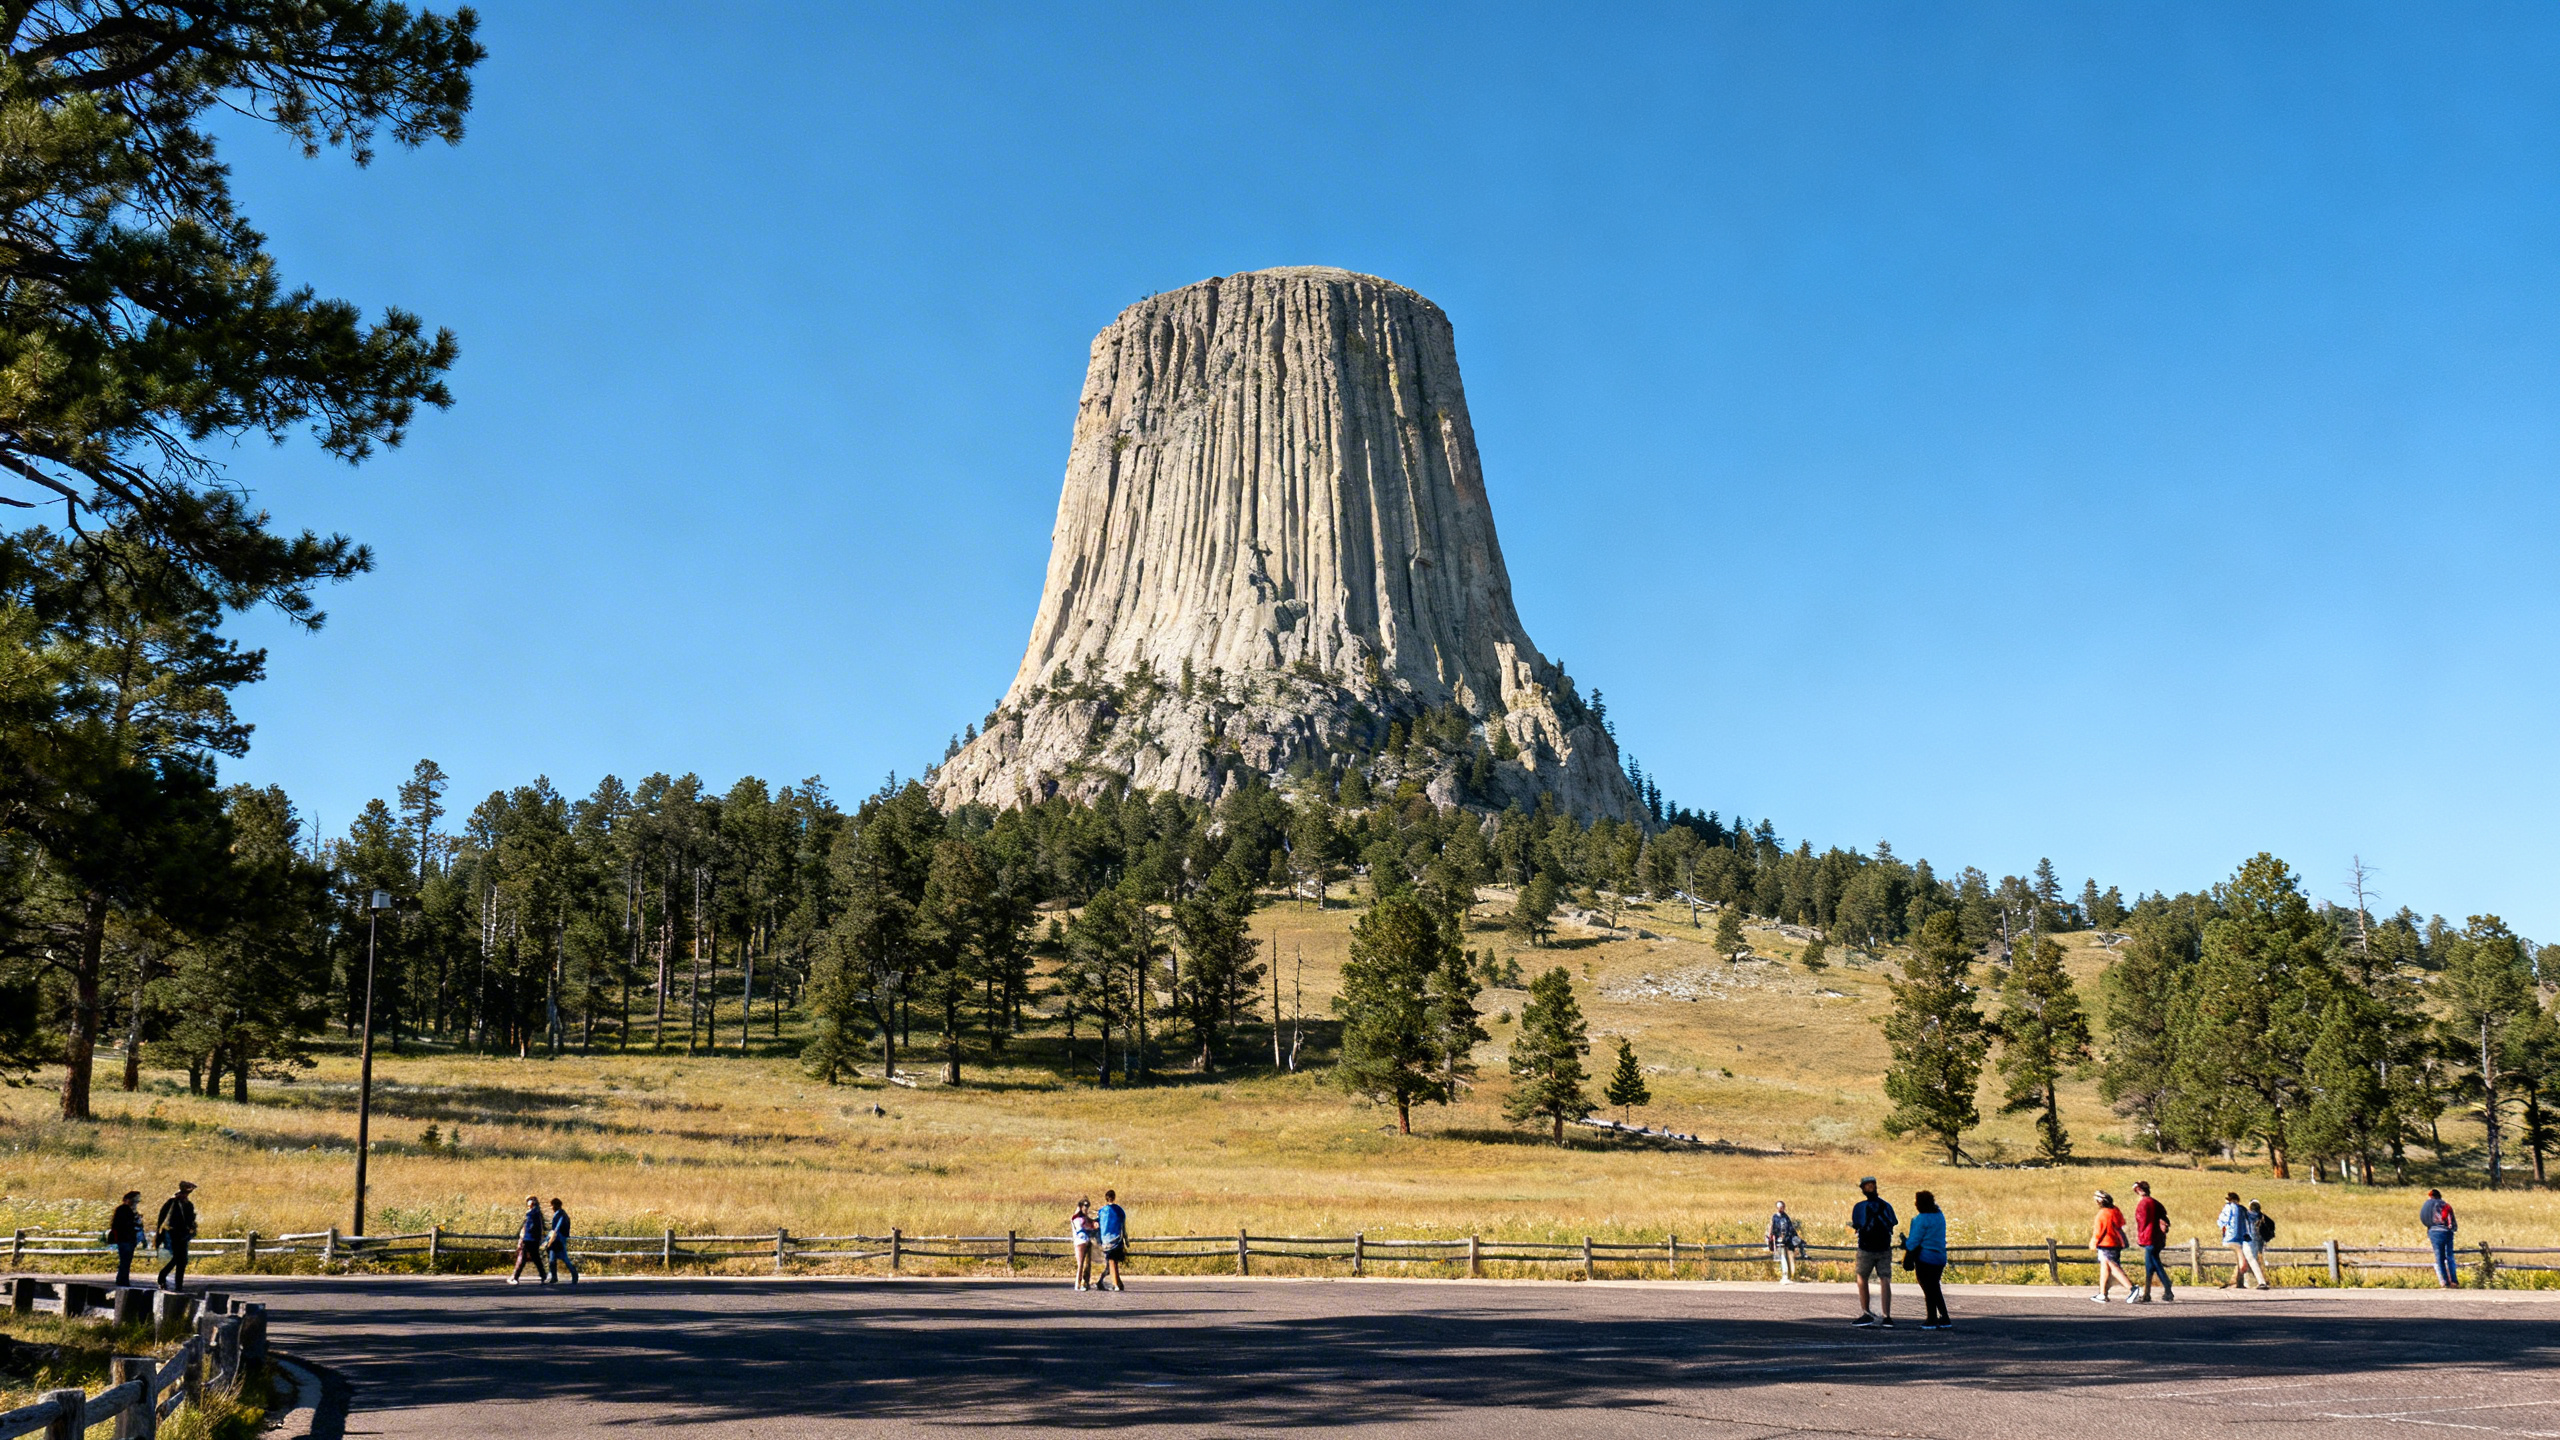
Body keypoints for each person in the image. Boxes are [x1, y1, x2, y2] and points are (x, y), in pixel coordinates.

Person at [1848, 1177, 1895, 1327]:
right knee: (1885, 1279)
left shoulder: (1859, 1207)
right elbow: (1892, 1223)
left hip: (1866, 1248)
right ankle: (1887, 1316)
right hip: (1884, 1247)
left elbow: (1857, 1224)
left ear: (1862, 1189)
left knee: (1862, 1278)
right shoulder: (1886, 1206)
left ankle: (1866, 1312)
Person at [1904, 1190, 1950, 1330]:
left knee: (1928, 1289)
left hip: (1925, 1257)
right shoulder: (1939, 1216)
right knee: (1935, 1287)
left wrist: (1905, 1245)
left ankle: (1931, 1318)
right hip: (1940, 1256)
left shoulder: (1921, 1219)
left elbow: (1913, 1242)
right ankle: (1944, 1317)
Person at [2131, 1180, 2175, 1303]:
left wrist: (2140, 1238)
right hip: (2157, 1238)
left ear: (2139, 1190)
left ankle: (2167, 1288)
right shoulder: (2155, 1202)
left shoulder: (2143, 1203)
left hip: (2149, 1238)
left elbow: (2142, 1222)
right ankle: (2147, 1293)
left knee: (2155, 1264)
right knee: (2150, 1266)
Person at [2090, 1191, 2135, 1303]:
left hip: (2106, 1243)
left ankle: (2132, 1289)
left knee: (2113, 1268)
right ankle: (2102, 1294)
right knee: (2105, 1268)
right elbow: (2121, 1223)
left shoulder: (2102, 1214)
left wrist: (2094, 1242)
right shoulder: (2115, 1210)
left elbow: (2099, 1231)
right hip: (2116, 1243)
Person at [153, 1181, 198, 1292]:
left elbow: (190, 1219)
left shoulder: (188, 1204)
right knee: (180, 1259)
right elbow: (163, 1217)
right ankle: (167, 1279)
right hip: (172, 1234)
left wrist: (192, 1228)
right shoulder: (172, 1202)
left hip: (184, 1234)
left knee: (181, 1260)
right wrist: (159, 1232)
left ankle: (176, 1283)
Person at [2217, 1191, 2260, 1289]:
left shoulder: (2227, 1208)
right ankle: (2238, 1280)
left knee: (2239, 1256)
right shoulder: (2242, 1209)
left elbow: (2221, 1221)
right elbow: (2252, 1217)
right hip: (2239, 1238)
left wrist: (2223, 1227)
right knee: (2241, 1256)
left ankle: (2236, 1281)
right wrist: (2257, 1213)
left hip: (2229, 1238)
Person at [2421, 1189, 2459, 1289]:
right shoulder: (2445, 1205)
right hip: (2446, 1231)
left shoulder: (2427, 1205)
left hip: (2433, 1231)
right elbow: (2450, 1220)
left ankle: (2444, 1282)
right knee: (2449, 1256)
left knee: (2439, 1257)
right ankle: (2454, 1281)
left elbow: (2424, 1218)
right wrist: (2452, 1228)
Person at [106, 1190, 142, 1290]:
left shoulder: (129, 1210)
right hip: (124, 1238)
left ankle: (122, 1279)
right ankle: (123, 1280)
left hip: (128, 1238)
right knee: (125, 1260)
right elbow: (119, 1225)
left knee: (126, 1260)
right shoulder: (123, 1210)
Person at [1096, 1189, 1129, 1292]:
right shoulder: (1119, 1210)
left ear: (1106, 1198)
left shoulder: (1102, 1211)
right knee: (1114, 1262)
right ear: (1114, 1197)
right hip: (1117, 1238)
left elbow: (1099, 1225)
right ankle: (1117, 1282)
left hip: (1106, 1240)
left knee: (1111, 1262)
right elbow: (1123, 1226)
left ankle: (1116, 1284)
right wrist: (1126, 1239)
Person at [509, 1195, 546, 1285]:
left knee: (522, 1257)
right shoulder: (538, 1213)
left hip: (528, 1239)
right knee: (536, 1258)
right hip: (534, 1239)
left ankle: (515, 1277)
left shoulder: (531, 1213)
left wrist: (522, 1239)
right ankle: (543, 1275)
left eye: (529, 1201)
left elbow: (527, 1228)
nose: (528, 1203)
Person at [1766, 1201, 1802, 1283]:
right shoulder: (1775, 1217)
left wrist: (1795, 1239)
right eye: (1779, 1207)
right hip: (1779, 1241)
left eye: (1781, 1207)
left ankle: (1789, 1275)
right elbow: (1773, 1228)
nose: (1780, 1209)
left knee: (1788, 1257)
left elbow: (1790, 1228)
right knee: (1782, 1257)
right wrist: (1771, 1238)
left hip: (1787, 1241)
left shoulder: (1786, 1217)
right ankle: (1784, 1275)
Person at [547, 1198, 579, 1285]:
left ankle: (574, 1274)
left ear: (555, 1205)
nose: (551, 1208)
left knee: (563, 1258)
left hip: (558, 1239)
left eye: (552, 1205)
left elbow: (556, 1228)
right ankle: (554, 1277)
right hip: (556, 1239)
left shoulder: (560, 1215)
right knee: (552, 1259)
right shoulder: (560, 1214)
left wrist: (549, 1240)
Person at [1068, 1198, 1099, 1291]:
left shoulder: (1085, 1218)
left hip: (1087, 1241)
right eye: (1085, 1206)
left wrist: (1094, 1224)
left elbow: (1090, 1223)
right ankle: (1078, 1284)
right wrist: (1091, 1228)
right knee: (1080, 1264)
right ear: (1080, 1207)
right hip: (1080, 1242)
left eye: (1087, 1207)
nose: (1086, 1209)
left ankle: (1085, 1283)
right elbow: (1080, 1230)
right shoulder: (1076, 1218)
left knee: (1087, 1263)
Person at [2247, 1201, 2278, 1290]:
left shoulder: (2250, 1216)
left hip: (2252, 1241)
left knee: (2252, 1259)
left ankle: (2258, 1281)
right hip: (2261, 1240)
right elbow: (2272, 1224)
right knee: (2258, 1258)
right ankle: (2261, 1280)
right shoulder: (2263, 1216)